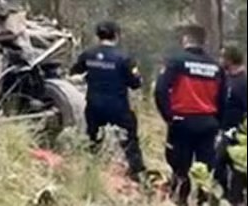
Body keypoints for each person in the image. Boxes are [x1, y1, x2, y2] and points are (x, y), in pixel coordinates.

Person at [156, 24, 226, 204]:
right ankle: (204, 200)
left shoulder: (176, 61)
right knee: (204, 168)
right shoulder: (216, 67)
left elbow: (161, 90)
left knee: (180, 168)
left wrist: (169, 116)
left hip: (182, 122)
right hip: (208, 123)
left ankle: (180, 199)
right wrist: (216, 121)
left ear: (185, 39)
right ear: (204, 41)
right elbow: (223, 98)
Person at [69, 20, 146, 179]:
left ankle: (92, 172)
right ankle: (137, 174)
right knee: (130, 139)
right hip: (118, 107)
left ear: (98, 36)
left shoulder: (88, 54)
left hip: (93, 106)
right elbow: (136, 84)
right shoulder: (124, 58)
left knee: (93, 139)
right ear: (117, 36)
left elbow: (74, 72)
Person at [218, 45, 247, 204]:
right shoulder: (225, 79)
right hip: (223, 130)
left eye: (223, 57)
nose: (220, 60)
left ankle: (235, 200)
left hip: (238, 134)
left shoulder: (243, 82)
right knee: (217, 167)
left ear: (231, 59)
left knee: (238, 172)